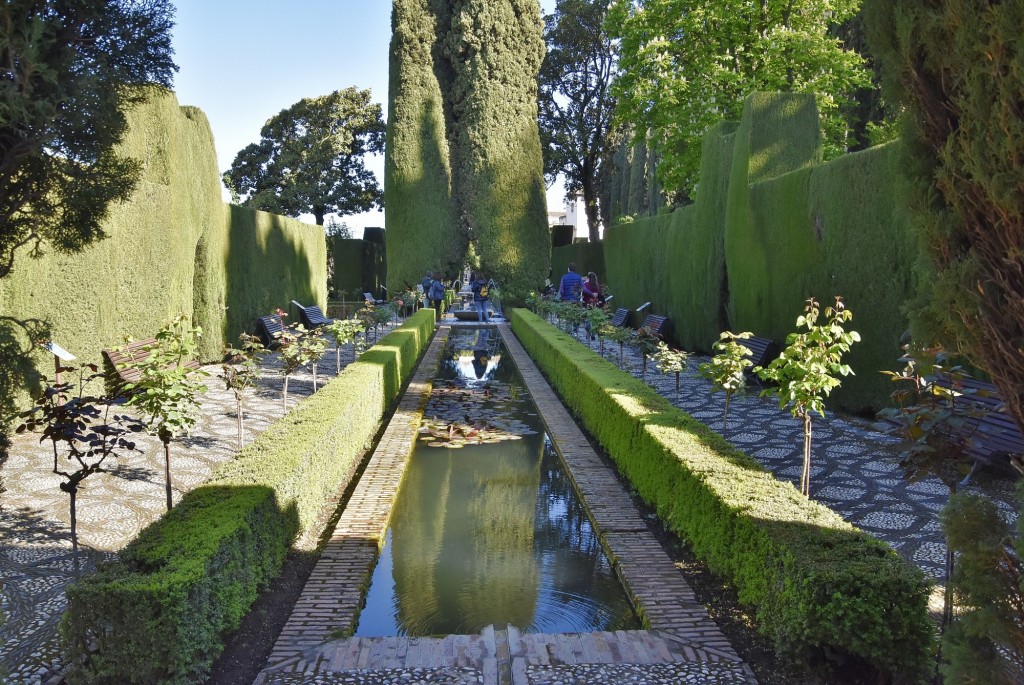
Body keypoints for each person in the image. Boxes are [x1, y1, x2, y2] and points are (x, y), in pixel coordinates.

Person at [582, 272, 601, 340]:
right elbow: (599, 293)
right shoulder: (597, 285)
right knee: (594, 318)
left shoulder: (586, 284)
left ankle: (588, 333)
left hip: (587, 303)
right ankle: (593, 333)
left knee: (588, 319)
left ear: (588, 278)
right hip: (595, 303)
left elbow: (584, 293)